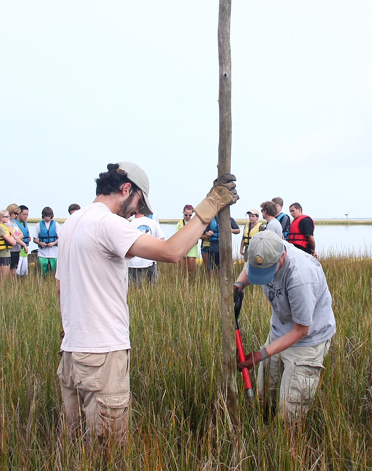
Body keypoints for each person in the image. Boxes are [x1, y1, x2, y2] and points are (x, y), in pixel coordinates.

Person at [56, 162, 238, 442]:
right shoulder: (107, 223)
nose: (134, 211)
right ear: (126, 189)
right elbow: (172, 251)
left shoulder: (72, 223)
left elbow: (60, 288)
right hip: (103, 354)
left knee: (76, 449)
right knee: (109, 457)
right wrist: (210, 204)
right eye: (138, 201)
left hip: (71, 354)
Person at [235, 231, 336, 423]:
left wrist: (261, 354)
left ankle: (288, 447)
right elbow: (250, 268)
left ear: (282, 255)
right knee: (264, 397)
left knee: (290, 414)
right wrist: (239, 285)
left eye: (267, 270)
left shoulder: (301, 276)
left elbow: (301, 330)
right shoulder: (263, 249)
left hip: (307, 342)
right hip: (279, 331)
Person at [128, 209, 166, 286]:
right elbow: (162, 241)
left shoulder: (130, 224)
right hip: (150, 261)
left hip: (133, 263)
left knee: (135, 290)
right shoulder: (153, 223)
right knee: (152, 288)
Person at [176, 204, 201, 279]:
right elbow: (178, 238)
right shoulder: (179, 224)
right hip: (181, 249)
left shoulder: (194, 223)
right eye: (186, 215)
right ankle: (183, 285)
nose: (188, 217)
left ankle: (191, 284)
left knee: (191, 271)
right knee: (182, 270)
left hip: (192, 249)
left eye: (190, 215)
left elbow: (195, 239)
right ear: (183, 213)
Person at [0, 209, 20, 275]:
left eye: (8, 216)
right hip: (3, 254)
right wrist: (12, 240)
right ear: (0, 217)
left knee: (7, 276)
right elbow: (11, 241)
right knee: (4, 277)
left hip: (7, 253)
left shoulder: (5, 227)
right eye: (6, 216)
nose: (8, 218)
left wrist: (12, 240)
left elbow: (12, 240)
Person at [35, 206, 59, 276]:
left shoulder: (56, 224)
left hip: (54, 252)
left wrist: (53, 243)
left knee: (54, 272)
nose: (47, 218)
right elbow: (34, 239)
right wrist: (40, 243)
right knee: (42, 272)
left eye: (48, 216)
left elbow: (60, 238)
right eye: (45, 216)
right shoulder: (38, 225)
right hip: (43, 253)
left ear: (51, 216)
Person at [13, 205, 32, 277]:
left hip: (25, 251)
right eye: (24, 214)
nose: (26, 216)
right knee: (16, 272)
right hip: (19, 250)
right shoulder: (14, 224)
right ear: (18, 214)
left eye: (27, 215)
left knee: (24, 273)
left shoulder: (25, 223)